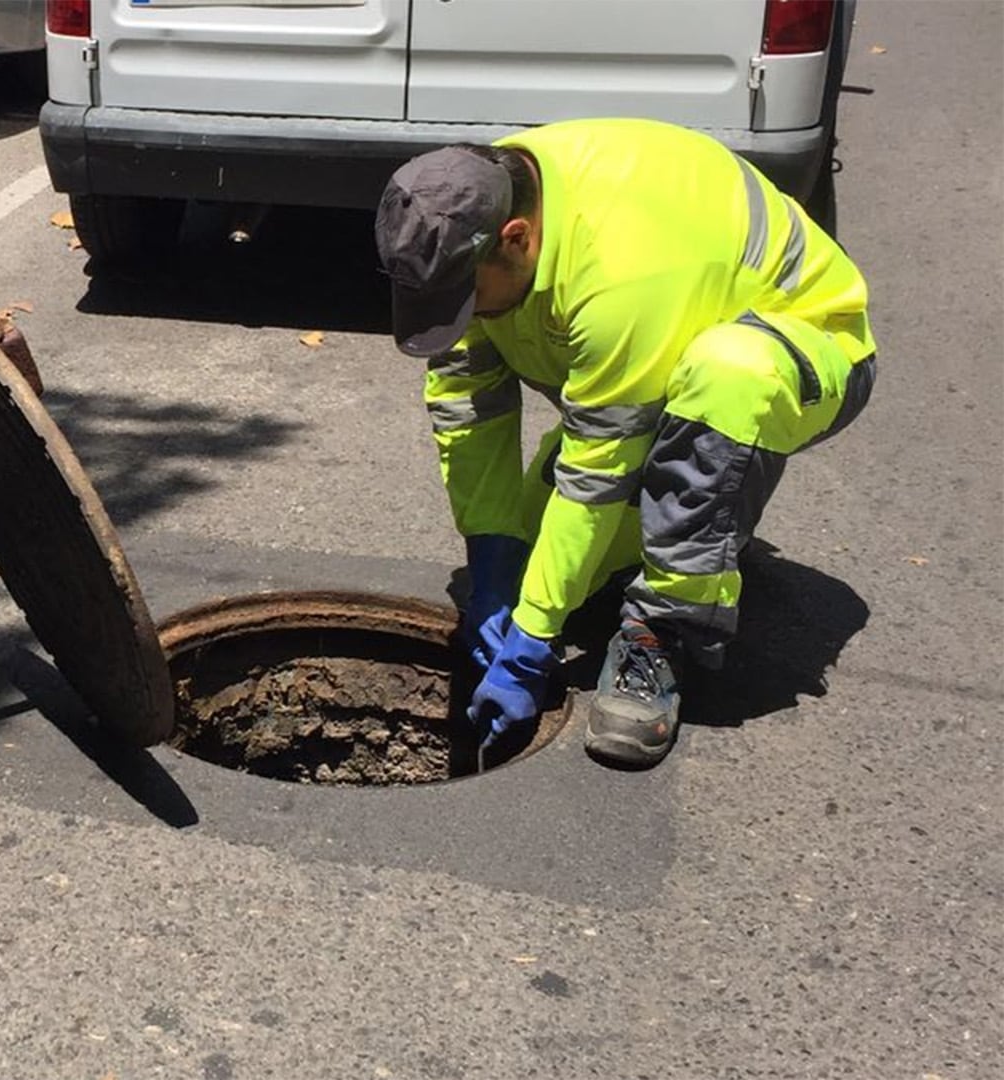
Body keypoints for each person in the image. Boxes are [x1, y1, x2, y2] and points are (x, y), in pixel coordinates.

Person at [373, 118, 876, 767]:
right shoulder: (480, 220)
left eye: (464, 298)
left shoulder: (620, 270)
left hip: (805, 348)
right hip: (653, 363)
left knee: (727, 377)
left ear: (516, 239)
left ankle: (660, 632)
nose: (458, 315)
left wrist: (532, 636)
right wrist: (493, 555)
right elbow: (469, 409)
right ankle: (660, 515)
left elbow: (598, 471)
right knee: (533, 572)